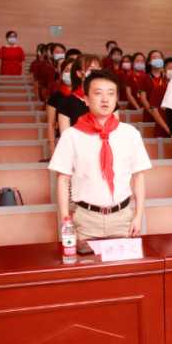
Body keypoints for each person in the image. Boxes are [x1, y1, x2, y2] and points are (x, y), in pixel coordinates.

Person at [49, 70, 151, 245]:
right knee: (86, 263)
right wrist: (65, 221)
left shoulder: (130, 134)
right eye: (98, 93)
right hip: (86, 219)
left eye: (110, 94)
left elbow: (138, 176)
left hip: (122, 218)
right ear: (86, 99)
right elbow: (63, 180)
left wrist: (138, 216)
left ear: (116, 99)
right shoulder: (71, 135)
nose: (105, 99)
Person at [47, 58, 74, 156]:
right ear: (61, 74)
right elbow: (51, 124)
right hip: (62, 141)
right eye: (67, 70)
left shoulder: (87, 96)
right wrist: (51, 148)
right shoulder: (55, 97)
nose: (70, 73)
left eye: (73, 70)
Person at [148, 57, 172, 138]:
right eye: (171, 69)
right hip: (162, 130)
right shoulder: (157, 90)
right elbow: (154, 111)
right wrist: (167, 129)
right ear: (164, 72)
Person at [137, 50, 165, 122]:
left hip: (165, 114)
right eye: (155, 58)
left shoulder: (166, 78)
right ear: (149, 62)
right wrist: (153, 113)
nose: (158, 60)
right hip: (149, 114)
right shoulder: (144, 78)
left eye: (160, 58)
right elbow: (143, 99)